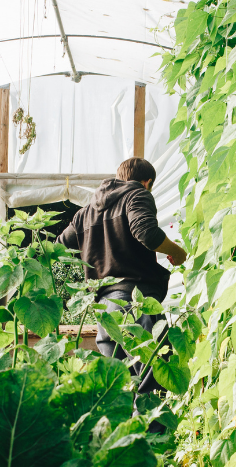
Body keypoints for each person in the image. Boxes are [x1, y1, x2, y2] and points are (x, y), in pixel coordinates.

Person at [57, 157, 187, 393]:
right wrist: (177, 252)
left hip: (104, 313)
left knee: (121, 389)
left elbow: (58, 249)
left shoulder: (84, 213)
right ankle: (152, 432)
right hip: (134, 304)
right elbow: (146, 232)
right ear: (146, 182)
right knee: (154, 380)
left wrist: (93, 252)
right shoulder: (137, 195)